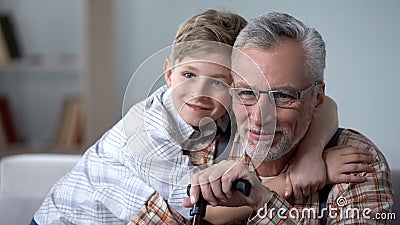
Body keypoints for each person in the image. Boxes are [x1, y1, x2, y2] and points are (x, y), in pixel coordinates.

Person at [33, 10, 333, 225]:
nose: (199, 92)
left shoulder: (225, 112)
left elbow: (325, 104)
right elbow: (203, 209)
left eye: (220, 82)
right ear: (168, 74)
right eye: (189, 74)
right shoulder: (151, 131)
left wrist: (311, 153)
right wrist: (292, 180)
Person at [185, 12, 394, 224]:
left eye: (283, 96)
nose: (259, 118)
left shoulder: (357, 163)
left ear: (317, 99)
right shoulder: (202, 144)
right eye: (247, 93)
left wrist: (265, 201)